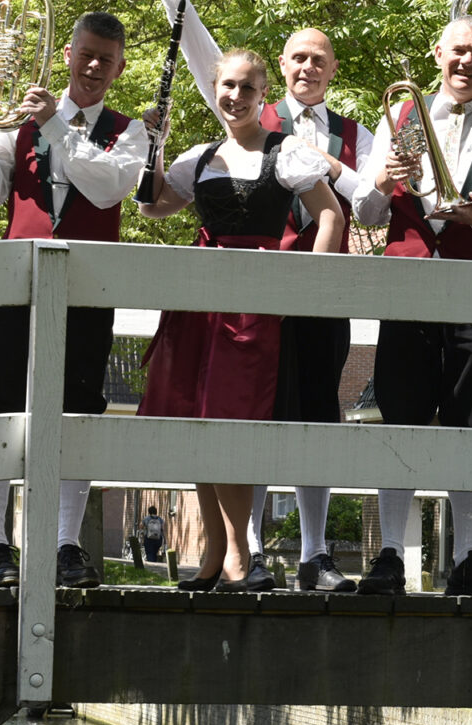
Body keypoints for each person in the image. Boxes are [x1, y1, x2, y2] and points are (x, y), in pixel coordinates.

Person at [150, 0, 380, 590]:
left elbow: (365, 209)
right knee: (205, 412)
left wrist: (313, 281)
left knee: (305, 413)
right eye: (295, 58)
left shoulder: (344, 137)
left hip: (289, 297)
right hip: (214, 297)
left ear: (333, 69)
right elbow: (159, 198)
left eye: (319, 58)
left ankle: (306, 552)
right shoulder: (225, 136)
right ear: (277, 70)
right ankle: (226, 547)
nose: (306, 67)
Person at [135, 40, 347, 590]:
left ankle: (237, 557)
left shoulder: (287, 150)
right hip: (200, 304)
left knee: (235, 423)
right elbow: (153, 205)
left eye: (247, 88)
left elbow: (330, 216)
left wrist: (304, 286)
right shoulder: (199, 157)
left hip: (255, 305)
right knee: (199, 422)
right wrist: (151, 146)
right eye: (226, 86)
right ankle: (215, 556)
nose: (235, 96)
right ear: (215, 90)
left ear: (263, 94)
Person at [353, 14, 472, 596]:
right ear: (438, 53)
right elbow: (365, 213)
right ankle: (391, 554)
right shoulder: (403, 119)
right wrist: (386, 180)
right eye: (457, 51)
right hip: (409, 287)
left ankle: (467, 557)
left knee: (469, 418)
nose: (466, 62)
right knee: (401, 414)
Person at [0, 12, 152, 589]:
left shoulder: (131, 131)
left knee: (80, 412)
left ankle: (65, 544)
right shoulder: (18, 122)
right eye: (86, 54)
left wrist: (57, 128)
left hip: (90, 291)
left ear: (119, 68)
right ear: (67, 55)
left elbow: (106, 186)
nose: (94, 66)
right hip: (17, 288)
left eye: (106, 59)